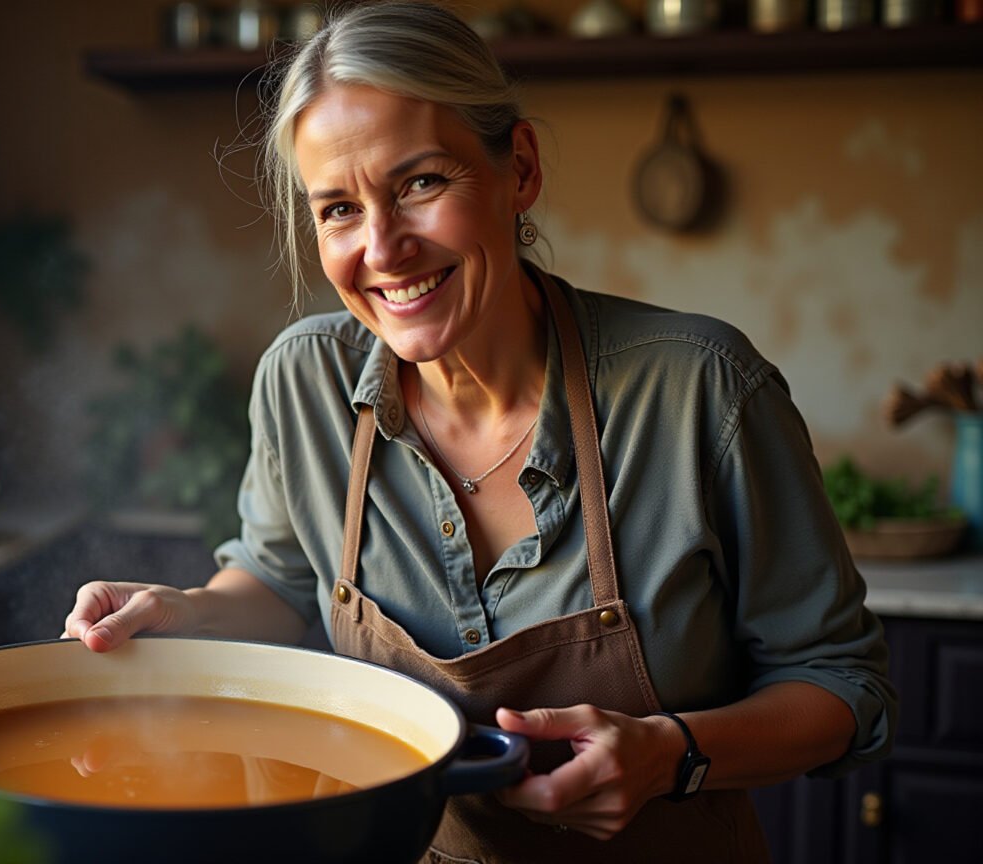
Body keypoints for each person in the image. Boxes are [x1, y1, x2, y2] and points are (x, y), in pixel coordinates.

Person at [63, 3, 896, 860]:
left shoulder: (700, 392)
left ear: (520, 169)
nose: (383, 248)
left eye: (421, 183)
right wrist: (184, 612)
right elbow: (278, 583)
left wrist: (670, 755)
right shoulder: (304, 382)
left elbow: (842, 684)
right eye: (339, 209)